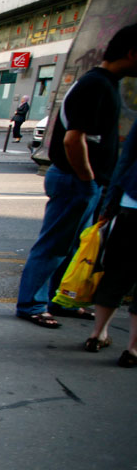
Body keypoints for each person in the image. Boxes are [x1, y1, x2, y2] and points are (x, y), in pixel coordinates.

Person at [15, 24, 137, 328]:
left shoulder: (103, 83)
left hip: (81, 180)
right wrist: (86, 179)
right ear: (132, 53)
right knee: (54, 245)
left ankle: (58, 299)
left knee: (69, 246)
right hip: (75, 179)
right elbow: (73, 139)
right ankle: (32, 303)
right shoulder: (96, 85)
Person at [83, 118, 137, 367]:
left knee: (116, 273)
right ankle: (133, 349)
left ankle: (97, 334)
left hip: (131, 205)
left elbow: (125, 161)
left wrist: (109, 205)